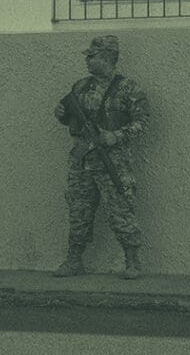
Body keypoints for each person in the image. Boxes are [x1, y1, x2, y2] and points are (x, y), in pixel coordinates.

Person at [53, 35, 150, 280]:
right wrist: (61, 113)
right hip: (83, 162)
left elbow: (143, 123)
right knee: (78, 210)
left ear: (107, 57)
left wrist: (115, 136)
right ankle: (74, 260)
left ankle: (132, 262)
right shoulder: (80, 87)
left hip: (113, 162)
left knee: (121, 209)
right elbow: (67, 116)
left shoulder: (129, 89)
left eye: (91, 56)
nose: (87, 60)